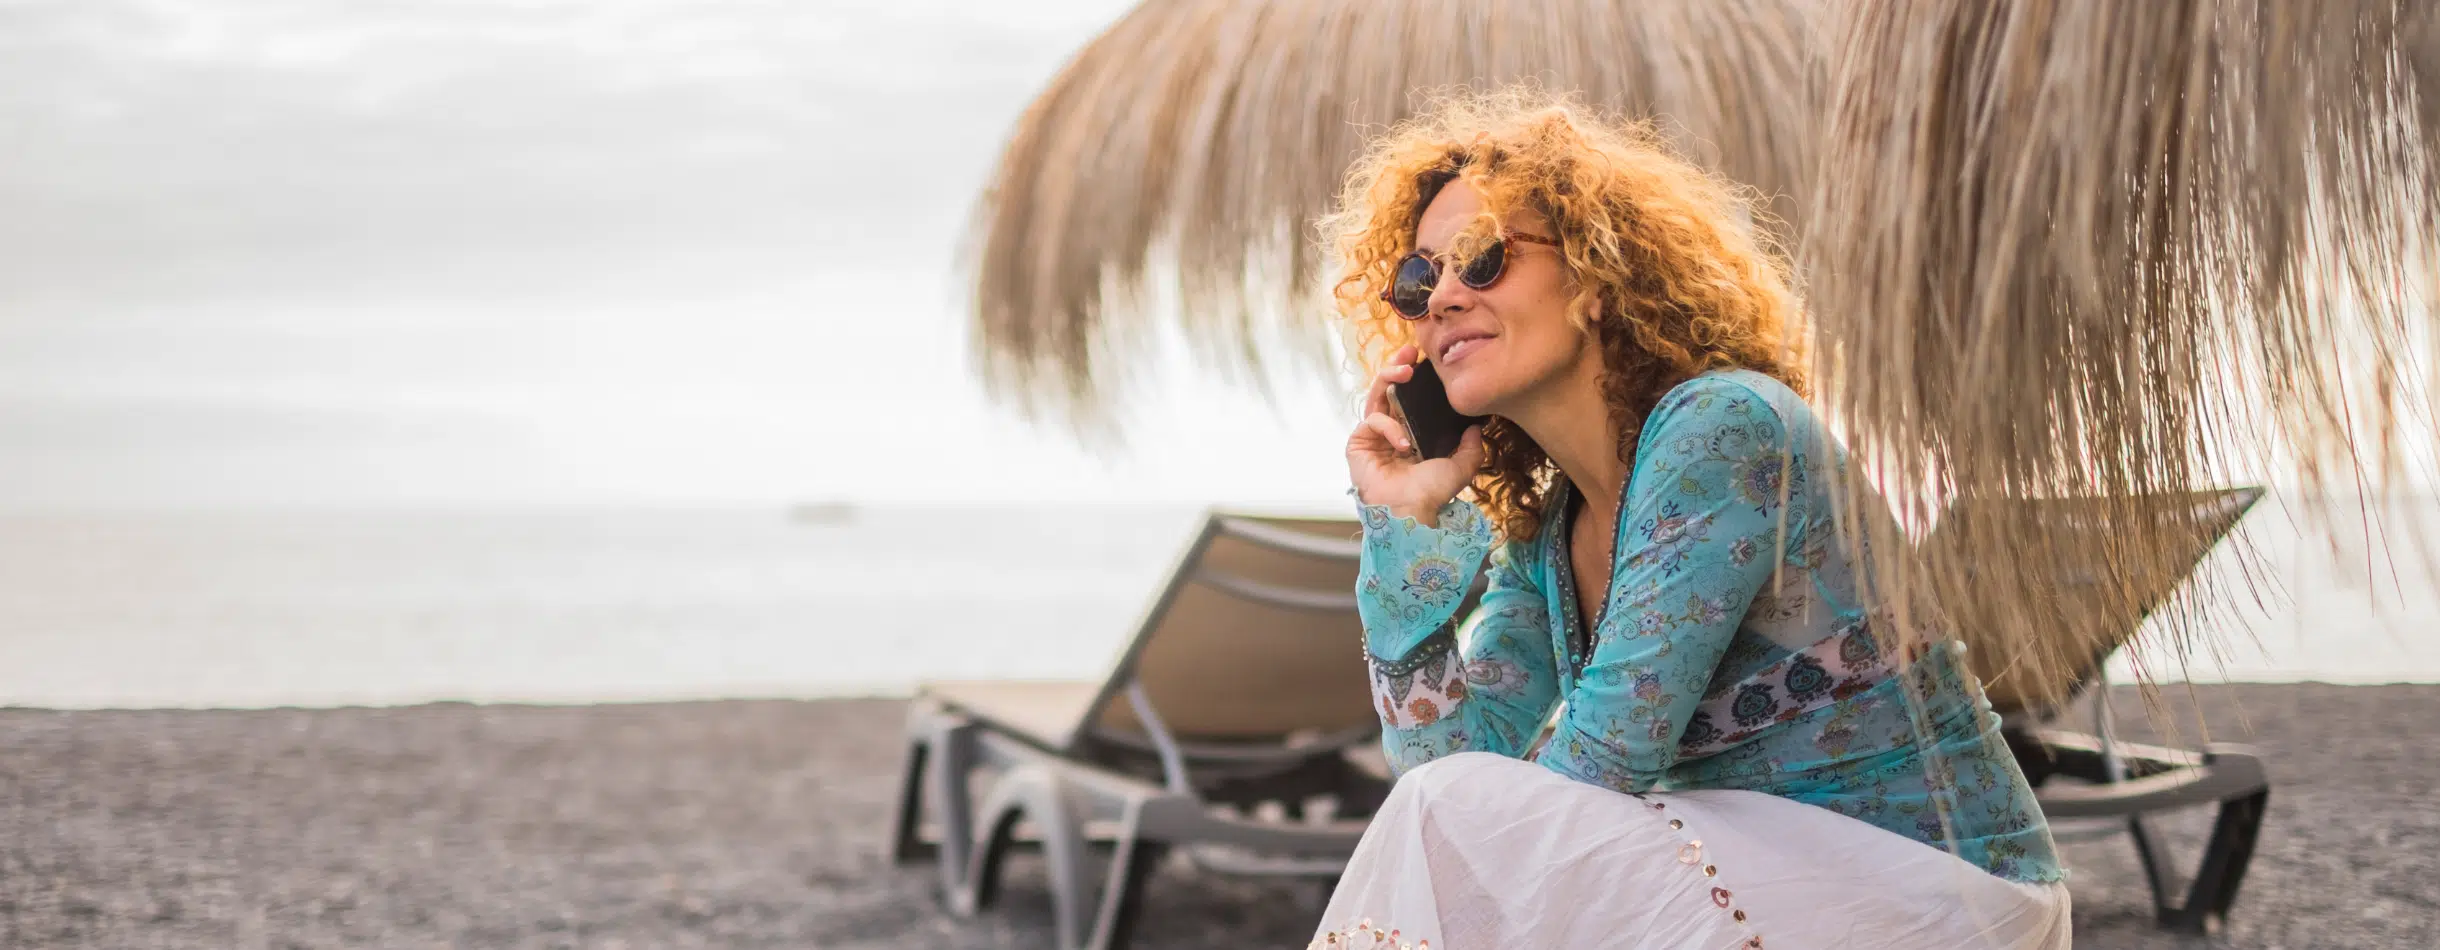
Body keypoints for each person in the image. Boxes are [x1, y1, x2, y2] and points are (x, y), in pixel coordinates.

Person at [1309, 91, 2071, 950]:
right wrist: (1404, 522)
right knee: (1446, 805)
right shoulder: (1550, 534)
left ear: (1594, 278)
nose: (1442, 296)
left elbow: (1590, 773)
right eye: (1418, 279)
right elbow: (1448, 778)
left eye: (1481, 258)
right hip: (1756, 873)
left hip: (1935, 888)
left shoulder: (1721, 426)